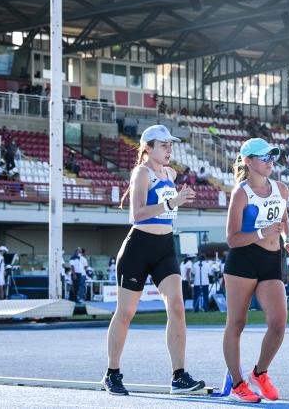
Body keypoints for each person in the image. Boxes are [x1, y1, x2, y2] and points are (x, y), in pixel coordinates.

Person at [103, 125, 205, 396]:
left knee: (177, 306)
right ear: (147, 147)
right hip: (138, 247)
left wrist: (177, 201)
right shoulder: (141, 173)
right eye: (163, 144)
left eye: (171, 144)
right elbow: (136, 213)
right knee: (125, 313)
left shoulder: (170, 173)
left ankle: (179, 376)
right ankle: (112, 372)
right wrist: (173, 203)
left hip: (164, 247)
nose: (169, 149)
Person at [222, 138, 289, 403]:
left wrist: (287, 242)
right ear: (248, 161)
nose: (270, 162)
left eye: (272, 157)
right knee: (237, 323)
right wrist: (261, 232)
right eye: (264, 157)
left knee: (278, 323)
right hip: (242, 261)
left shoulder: (281, 189)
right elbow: (232, 238)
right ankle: (237, 384)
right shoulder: (241, 193)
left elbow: (284, 219)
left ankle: (260, 372)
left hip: (271, 261)